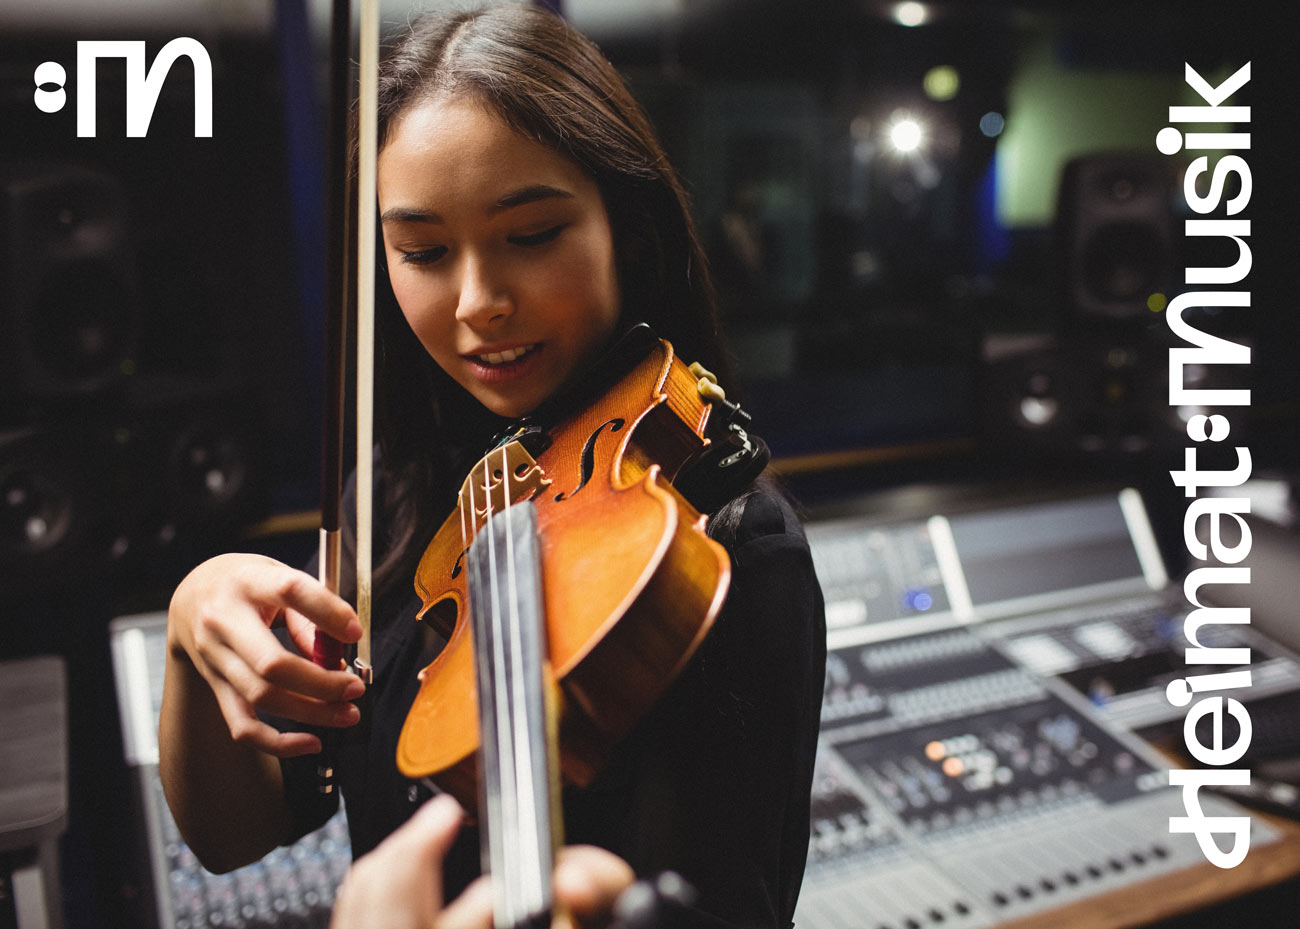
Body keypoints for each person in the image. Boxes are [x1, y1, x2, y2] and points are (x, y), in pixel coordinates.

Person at [159, 5, 826, 927]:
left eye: (533, 234)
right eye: (423, 252)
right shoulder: (386, 498)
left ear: (624, 228)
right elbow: (233, 838)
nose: (478, 302)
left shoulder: (726, 544)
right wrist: (190, 625)